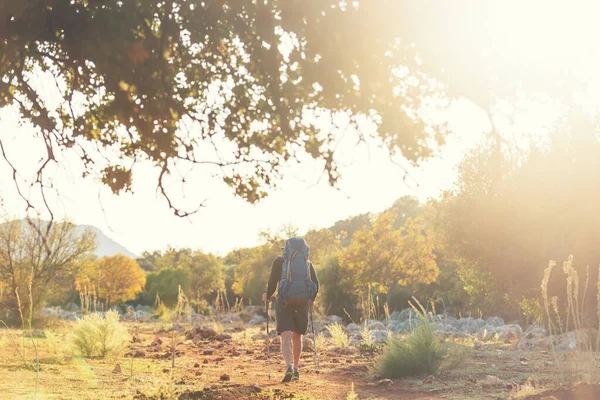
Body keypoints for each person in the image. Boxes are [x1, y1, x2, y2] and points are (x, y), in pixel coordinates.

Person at [262, 237, 319, 383]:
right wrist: (311, 299)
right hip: (302, 303)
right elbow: (316, 283)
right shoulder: (307, 263)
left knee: (285, 336)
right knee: (297, 335)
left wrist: (267, 295)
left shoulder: (279, 261)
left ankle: (288, 366)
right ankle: (296, 368)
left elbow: (272, 282)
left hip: (284, 302)